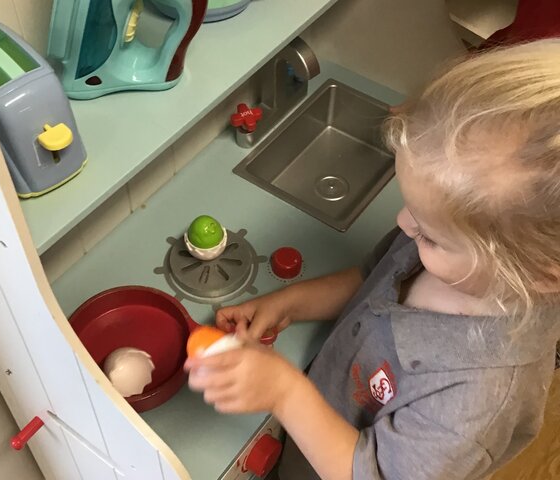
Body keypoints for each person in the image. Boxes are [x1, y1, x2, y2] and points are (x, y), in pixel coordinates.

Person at [185, 39, 560, 480]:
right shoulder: (452, 247)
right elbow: (371, 278)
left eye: (429, 234)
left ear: (537, 273)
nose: (403, 224)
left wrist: (285, 393)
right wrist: (288, 303)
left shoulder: (478, 399)